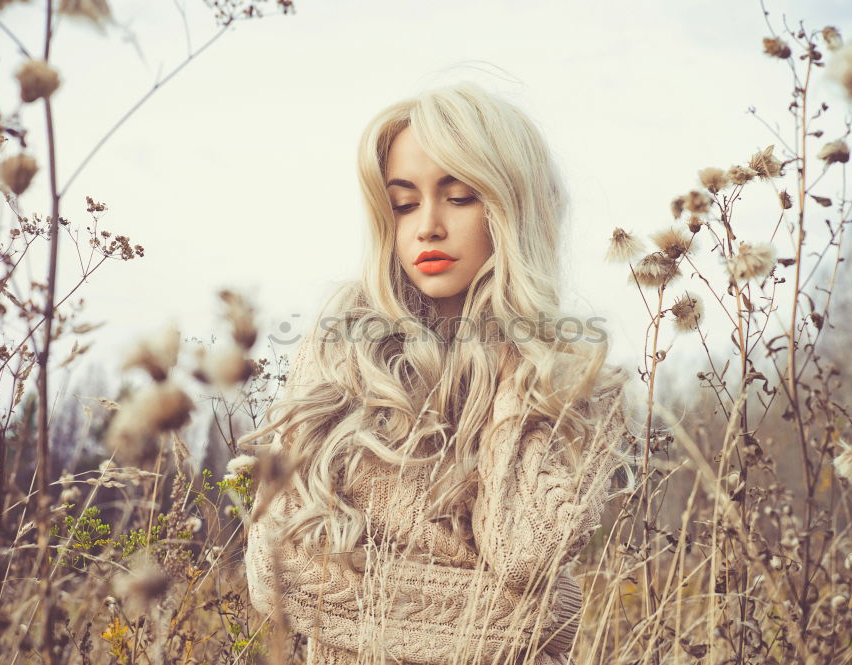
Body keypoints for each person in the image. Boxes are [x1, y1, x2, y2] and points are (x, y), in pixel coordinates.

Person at [241, 81, 631, 665]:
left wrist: (514, 384)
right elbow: (275, 573)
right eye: (403, 203)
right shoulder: (339, 351)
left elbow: (525, 556)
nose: (427, 226)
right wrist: (519, 612)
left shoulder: (573, 380)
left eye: (460, 196)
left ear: (514, 206)